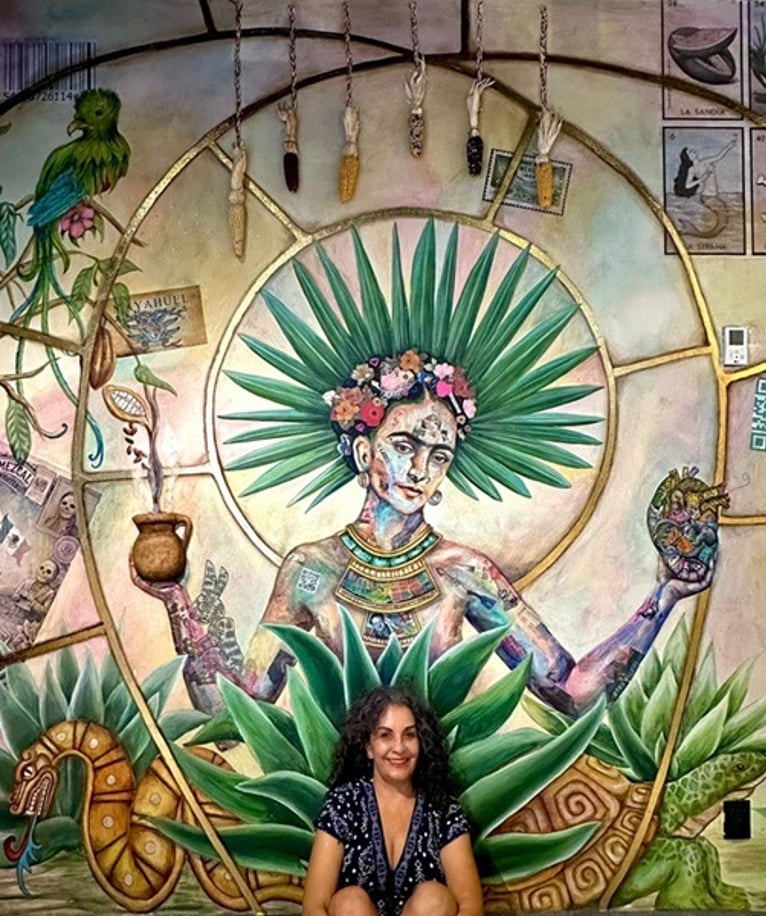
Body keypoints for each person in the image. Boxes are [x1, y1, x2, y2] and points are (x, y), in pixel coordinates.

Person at [134, 221, 723, 717]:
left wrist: (666, 594)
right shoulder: (310, 570)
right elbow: (237, 708)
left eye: (439, 456)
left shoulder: (466, 572)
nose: (421, 468)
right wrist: (177, 602)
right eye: (404, 445)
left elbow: (569, 691)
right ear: (363, 453)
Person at [302, 685, 483, 916]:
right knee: (349, 902)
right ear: (368, 747)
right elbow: (314, 906)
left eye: (409, 735)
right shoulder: (343, 804)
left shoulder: (443, 809)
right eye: (385, 735)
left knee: (434, 898)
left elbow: (471, 906)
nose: (399, 747)